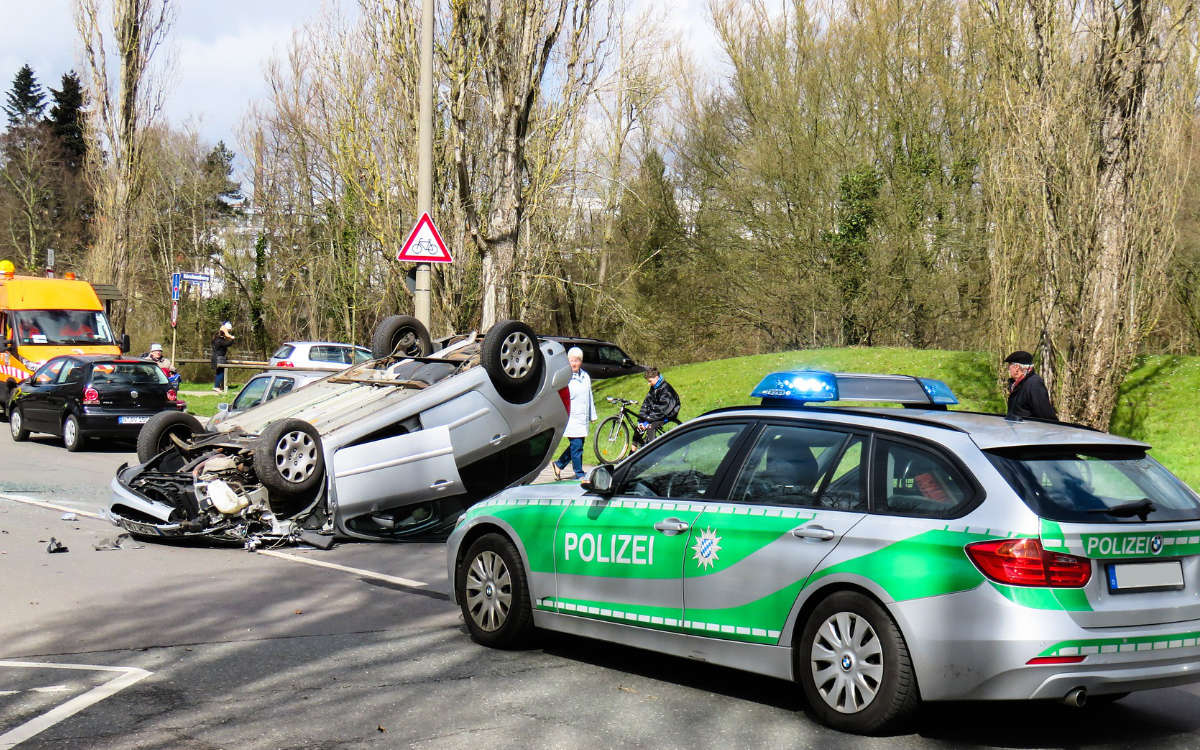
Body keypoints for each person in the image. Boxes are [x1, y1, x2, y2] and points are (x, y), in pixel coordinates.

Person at [553, 347, 596, 480]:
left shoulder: (585, 376)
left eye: (577, 360)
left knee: (577, 445)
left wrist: (592, 415)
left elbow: (589, 396)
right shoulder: (565, 378)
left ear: (581, 361)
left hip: (582, 418)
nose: (574, 363)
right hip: (571, 418)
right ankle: (579, 473)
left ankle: (559, 464)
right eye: (571, 361)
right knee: (577, 446)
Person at [634, 366, 681, 448]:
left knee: (650, 427)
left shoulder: (666, 389)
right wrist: (641, 420)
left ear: (656, 378)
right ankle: (631, 453)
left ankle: (653, 452)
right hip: (656, 413)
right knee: (638, 429)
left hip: (668, 414)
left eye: (650, 381)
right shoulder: (654, 387)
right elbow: (646, 403)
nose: (648, 383)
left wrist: (648, 421)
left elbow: (662, 409)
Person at [1003, 350, 1056, 420]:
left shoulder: (1034, 384)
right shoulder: (1017, 384)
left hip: (1030, 430)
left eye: (1009, 366)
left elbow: (1046, 416)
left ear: (1016, 368)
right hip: (1018, 429)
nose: (1008, 369)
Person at [211, 322, 235, 391]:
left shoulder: (216, 339)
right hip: (219, 357)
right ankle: (217, 386)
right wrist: (232, 339)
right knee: (221, 372)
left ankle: (220, 386)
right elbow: (227, 344)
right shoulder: (219, 340)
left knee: (219, 372)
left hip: (217, 357)